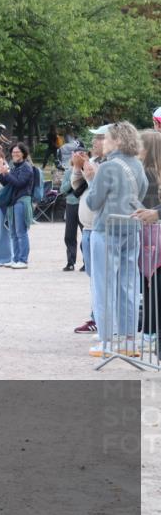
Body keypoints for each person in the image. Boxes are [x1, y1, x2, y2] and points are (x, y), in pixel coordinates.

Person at [84, 122, 147, 357]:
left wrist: (91, 180)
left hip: (106, 228)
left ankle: (106, 341)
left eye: (107, 138)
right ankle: (130, 341)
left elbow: (93, 203)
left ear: (118, 141)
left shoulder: (109, 167)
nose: (104, 142)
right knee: (128, 285)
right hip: (131, 227)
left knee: (103, 286)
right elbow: (143, 191)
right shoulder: (137, 165)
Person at [73, 135, 103, 334]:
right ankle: (96, 316)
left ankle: (102, 319)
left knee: (102, 278)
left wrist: (87, 170)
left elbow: (98, 190)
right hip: (87, 228)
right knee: (93, 278)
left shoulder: (108, 165)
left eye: (97, 140)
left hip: (99, 227)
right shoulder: (92, 163)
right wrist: (77, 167)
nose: (93, 144)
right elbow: (75, 187)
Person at [0, 143, 36, 269]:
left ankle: (23, 260)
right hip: (13, 201)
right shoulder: (15, 167)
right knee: (13, 233)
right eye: (13, 152)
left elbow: (19, 183)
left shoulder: (26, 167)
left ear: (23, 153)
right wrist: (0, 173)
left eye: (18, 152)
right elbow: (7, 184)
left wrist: (7, 173)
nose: (15, 154)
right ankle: (15, 259)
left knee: (21, 232)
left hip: (22, 201)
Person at [137, 129, 161, 345]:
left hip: (152, 233)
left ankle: (151, 330)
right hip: (151, 231)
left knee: (151, 282)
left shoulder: (149, 174)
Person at [60, 148, 85, 271]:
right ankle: (70, 262)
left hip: (83, 205)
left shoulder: (87, 170)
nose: (77, 157)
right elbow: (62, 190)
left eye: (81, 154)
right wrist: (72, 180)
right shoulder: (68, 172)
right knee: (69, 235)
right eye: (75, 155)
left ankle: (87, 261)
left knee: (85, 234)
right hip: (71, 204)